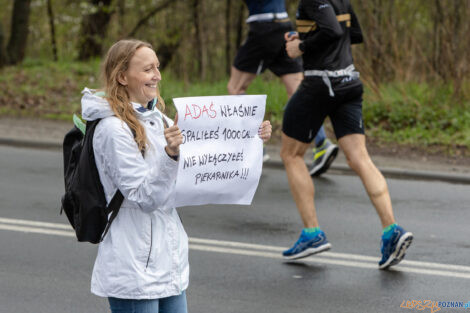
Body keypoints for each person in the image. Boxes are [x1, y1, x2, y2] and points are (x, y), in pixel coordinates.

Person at [80, 39, 273, 312]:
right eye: (147, 69)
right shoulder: (113, 130)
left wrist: (251, 135)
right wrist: (170, 156)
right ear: (122, 77)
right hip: (135, 268)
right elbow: (144, 197)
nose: (157, 75)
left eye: (157, 67)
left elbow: (207, 151)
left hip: (170, 262)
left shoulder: (159, 119)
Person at [280, 0, 413, 269]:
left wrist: (301, 46)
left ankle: (312, 234)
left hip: (320, 84)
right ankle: (391, 231)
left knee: (291, 154)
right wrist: (307, 36)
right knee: (359, 158)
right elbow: (354, 34)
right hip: (349, 82)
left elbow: (333, 30)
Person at [228, 0, 338, 175]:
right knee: (299, 91)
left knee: (235, 88)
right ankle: (322, 144)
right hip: (283, 26)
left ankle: (256, 148)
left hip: (263, 28)